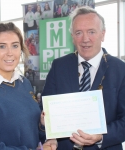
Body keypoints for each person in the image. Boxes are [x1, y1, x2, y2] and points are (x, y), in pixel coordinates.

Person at [42, 6, 125, 150]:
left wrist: (101, 137)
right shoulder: (59, 66)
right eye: (78, 32)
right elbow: (44, 109)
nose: (85, 39)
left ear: (103, 34)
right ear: (72, 37)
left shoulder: (121, 69)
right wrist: (48, 129)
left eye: (91, 32)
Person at [0, 22, 57, 150]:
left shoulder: (24, 83)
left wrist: (43, 127)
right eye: (2, 46)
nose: (10, 53)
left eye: (15, 46)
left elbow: (29, 133)